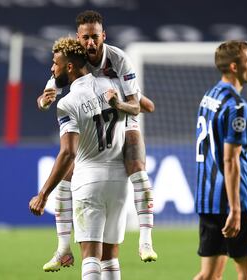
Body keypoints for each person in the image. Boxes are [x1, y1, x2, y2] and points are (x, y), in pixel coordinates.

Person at [37, 10, 157, 271]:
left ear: (104, 36)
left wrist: (122, 102)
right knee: (66, 175)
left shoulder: (118, 58)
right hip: (100, 113)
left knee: (136, 163)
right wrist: (43, 102)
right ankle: (62, 247)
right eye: (85, 38)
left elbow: (136, 108)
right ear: (78, 38)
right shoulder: (71, 59)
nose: (90, 43)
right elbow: (47, 93)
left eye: (95, 37)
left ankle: (146, 240)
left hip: (123, 108)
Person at [30, 37, 128, 280]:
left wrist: (43, 194)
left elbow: (68, 153)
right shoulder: (110, 85)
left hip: (90, 180)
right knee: (110, 256)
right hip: (119, 179)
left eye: (55, 64)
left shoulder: (68, 103)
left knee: (91, 256)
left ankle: (64, 248)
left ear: (69, 67)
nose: (52, 69)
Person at [194, 41, 247, 280]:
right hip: (235, 201)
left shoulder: (209, 97)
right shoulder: (237, 106)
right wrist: (235, 210)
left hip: (207, 199)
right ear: (234, 66)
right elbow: (231, 161)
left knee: (208, 275)